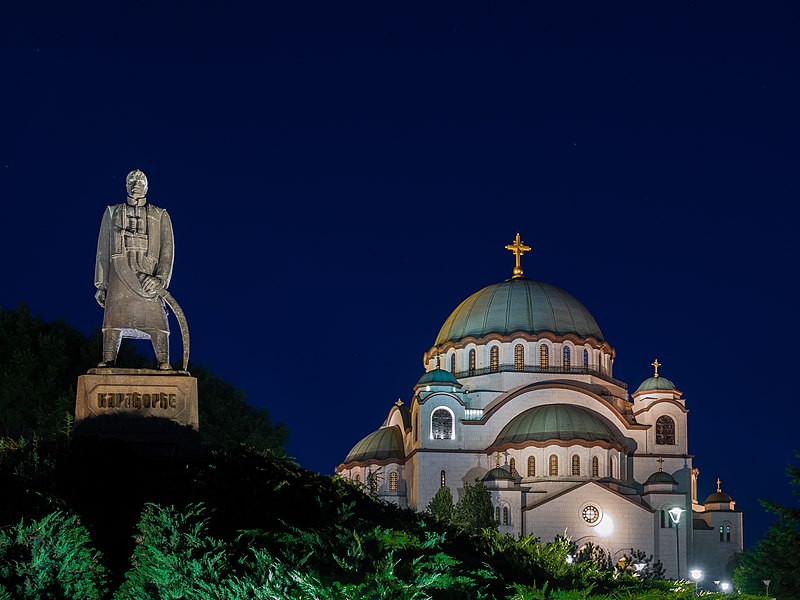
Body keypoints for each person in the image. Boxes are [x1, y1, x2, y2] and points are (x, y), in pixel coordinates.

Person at [94, 169, 174, 369]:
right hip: (119, 275)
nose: (135, 182)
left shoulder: (159, 214)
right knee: (113, 321)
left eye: (140, 179)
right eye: (131, 179)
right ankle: (109, 360)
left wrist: (160, 279)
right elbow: (102, 250)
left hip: (148, 278)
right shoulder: (113, 212)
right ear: (125, 185)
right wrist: (101, 285)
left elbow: (167, 251)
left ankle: (163, 362)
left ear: (147, 186)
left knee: (158, 322)